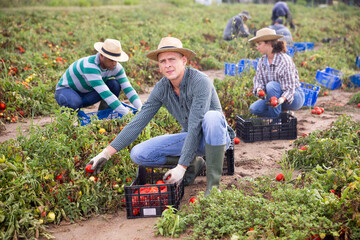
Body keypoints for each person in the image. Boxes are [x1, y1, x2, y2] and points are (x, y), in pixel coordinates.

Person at [85, 37, 235, 196]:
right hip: (191, 138)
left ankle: (213, 187)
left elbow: (196, 124)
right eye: (163, 61)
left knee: (212, 117)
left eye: (172, 59)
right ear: (159, 66)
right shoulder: (161, 88)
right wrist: (105, 153)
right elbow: (138, 122)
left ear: (184, 60)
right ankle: (193, 163)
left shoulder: (200, 81)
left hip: (215, 138)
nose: (168, 64)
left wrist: (180, 167)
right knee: (138, 153)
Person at [55, 39, 142, 115]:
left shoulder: (116, 67)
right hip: (65, 91)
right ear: (101, 55)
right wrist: (127, 113)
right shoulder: (90, 66)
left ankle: (102, 117)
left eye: (116, 60)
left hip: (86, 94)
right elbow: (105, 94)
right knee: (73, 103)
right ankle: (66, 124)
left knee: (114, 85)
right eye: (111, 60)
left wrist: (141, 109)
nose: (114, 64)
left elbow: (128, 89)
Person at [248, 28, 305, 118]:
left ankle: (276, 122)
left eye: (259, 44)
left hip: (293, 97)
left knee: (271, 86)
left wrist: (280, 100)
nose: (257, 47)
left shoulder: (284, 61)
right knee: (253, 109)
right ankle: (284, 115)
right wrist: (259, 90)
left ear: (269, 43)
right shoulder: (262, 61)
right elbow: (258, 80)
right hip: (274, 96)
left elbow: (290, 89)